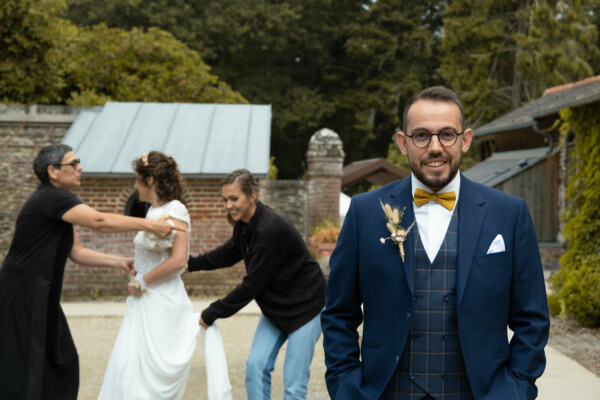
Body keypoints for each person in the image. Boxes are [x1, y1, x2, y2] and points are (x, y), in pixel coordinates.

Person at [321, 86, 550, 400]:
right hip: (386, 391)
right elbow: (338, 313)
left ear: (465, 140)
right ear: (403, 143)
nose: (435, 147)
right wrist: (346, 385)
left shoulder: (509, 214)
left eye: (446, 134)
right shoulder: (364, 212)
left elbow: (532, 318)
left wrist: (517, 388)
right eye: (421, 136)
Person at [0, 144, 181, 400]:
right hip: (22, 293)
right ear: (53, 172)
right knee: (26, 362)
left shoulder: (57, 202)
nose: (80, 168)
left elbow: (77, 251)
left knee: (61, 357)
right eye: (73, 164)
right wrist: (150, 225)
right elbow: (99, 222)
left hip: (40, 292)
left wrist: (119, 262)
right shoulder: (52, 197)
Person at [187, 168, 326, 400]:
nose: (228, 205)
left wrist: (211, 313)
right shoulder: (244, 224)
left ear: (252, 195)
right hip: (276, 308)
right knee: (255, 368)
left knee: (293, 384)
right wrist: (191, 264)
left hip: (308, 307)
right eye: (225, 199)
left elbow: (251, 286)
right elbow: (230, 253)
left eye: (234, 199)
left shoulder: (268, 231)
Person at [98, 151, 200, 399]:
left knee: (145, 374)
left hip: (160, 300)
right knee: (128, 368)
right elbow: (157, 253)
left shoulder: (176, 209)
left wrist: (141, 281)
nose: (135, 185)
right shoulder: (152, 211)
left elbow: (178, 260)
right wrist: (139, 264)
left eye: (137, 179)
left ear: (150, 179)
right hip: (142, 299)